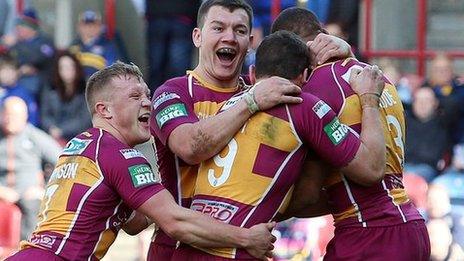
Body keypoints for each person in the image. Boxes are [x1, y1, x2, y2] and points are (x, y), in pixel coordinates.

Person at [5, 62, 276, 261]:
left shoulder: (80, 145)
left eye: (147, 94)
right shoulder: (120, 155)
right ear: (104, 110)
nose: (147, 102)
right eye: (135, 96)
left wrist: (169, 186)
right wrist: (246, 238)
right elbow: (175, 223)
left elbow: (133, 224)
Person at [147, 0, 355, 259]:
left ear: (251, 42)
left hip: (248, 249)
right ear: (197, 37)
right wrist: (251, 101)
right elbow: (190, 147)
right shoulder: (173, 93)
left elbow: (321, 79)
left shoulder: (271, 91)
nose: (230, 37)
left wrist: (345, 51)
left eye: (240, 31)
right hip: (180, 248)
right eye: (218, 28)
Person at [170, 30, 387, 260]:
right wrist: (369, 100)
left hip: (188, 247)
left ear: (252, 74)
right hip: (233, 252)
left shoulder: (230, 106)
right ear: (305, 75)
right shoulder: (304, 107)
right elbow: (372, 169)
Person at [271, 7, 430, 260]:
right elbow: (337, 193)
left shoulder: (316, 88)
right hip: (408, 225)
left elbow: (309, 192)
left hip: (371, 232)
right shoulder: (377, 76)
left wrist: (251, 210)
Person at [0, 96, 61, 240]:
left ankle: (26, 252)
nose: (9, 119)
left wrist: (45, 189)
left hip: (28, 193)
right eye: (6, 114)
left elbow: (64, 161)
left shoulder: (35, 137)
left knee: (33, 206)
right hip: (2, 190)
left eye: (14, 116)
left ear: (25, 116)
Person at [145, 0, 201, 91]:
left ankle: (154, 101)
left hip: (157, 14)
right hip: (184, 15)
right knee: (178, 70)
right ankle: (178, 100)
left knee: (156, 68)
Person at [40, 50, 92, 145]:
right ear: (57, 70)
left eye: (70, 66)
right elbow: (45, 114)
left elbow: (85, 120)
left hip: (80, 138)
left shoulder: (87, 87)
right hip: (53, 138)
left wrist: (61, 130)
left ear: (77, 68)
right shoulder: (50, 86)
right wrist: (51, 128)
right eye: (63, 67)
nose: (67, 70)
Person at [69, 10, 124, 79]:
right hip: (78, 85)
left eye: (94, 25)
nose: (90, 28)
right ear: (79, 27)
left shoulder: (108, 46)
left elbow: (112, 70)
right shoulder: (73, 46)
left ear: (100, 27)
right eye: (86, 25)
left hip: (99, 84)